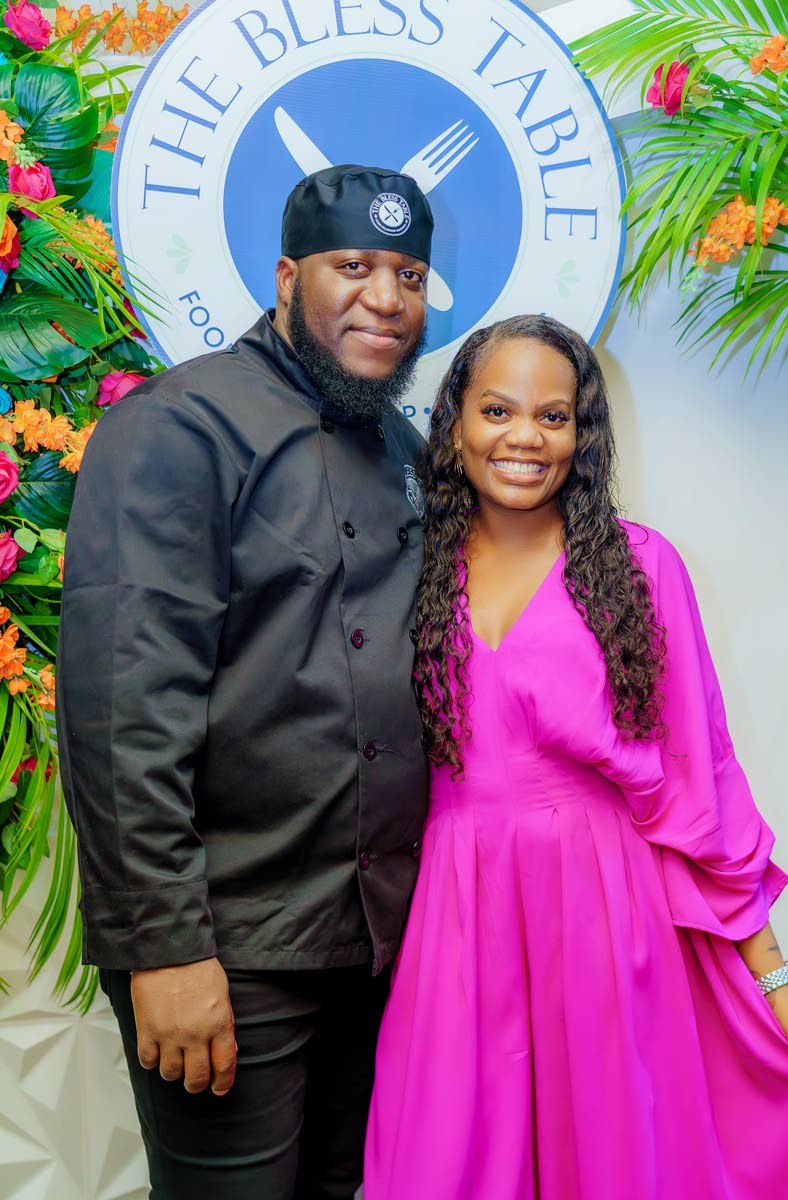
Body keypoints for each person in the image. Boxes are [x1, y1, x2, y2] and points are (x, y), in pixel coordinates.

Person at [56, 164, 434, 1200]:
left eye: (406, 274)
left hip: (374, 942)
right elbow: (120, 707)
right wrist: (164, 949)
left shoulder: (397, 442)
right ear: (284, 277)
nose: (384, 298)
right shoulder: (178, 428)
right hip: (230, 948)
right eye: (352, 266)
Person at [364, 314, 788, 1200]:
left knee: (607, 1160)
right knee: (442, 1162)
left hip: (605, 913)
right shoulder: (407, 571)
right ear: (454, 425)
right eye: (497, 409)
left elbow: (700, 782)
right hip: (455, 912)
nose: (525, 436)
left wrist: (775, 974)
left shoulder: (641, 569)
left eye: (553, 416)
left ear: (581, 434)